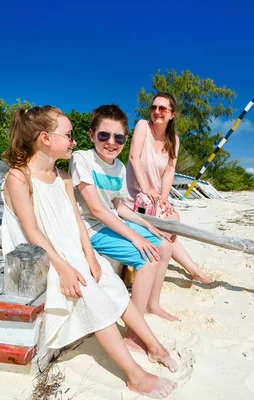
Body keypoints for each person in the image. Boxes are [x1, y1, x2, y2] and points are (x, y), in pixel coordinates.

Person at [0, 105, 177, 398]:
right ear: (45, 137)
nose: (73, 140)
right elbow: (32, 233)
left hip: (72, 250)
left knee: (111, 283)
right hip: (44, 257)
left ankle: (154, 346)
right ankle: (135, 375)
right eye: (68, 135)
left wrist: (90, 255)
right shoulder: (19, 177)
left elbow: (77, 224)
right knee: (92, 294)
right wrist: (64, 267)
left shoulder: (63, 177)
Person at [70, 104, 178, 354]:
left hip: (110, 220)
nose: (111, 142)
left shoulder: (119, 166)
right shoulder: (82, 158)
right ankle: (132, 334)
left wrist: (146, 224)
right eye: (104, 136)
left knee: (163, 243)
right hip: (90, 227)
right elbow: (96, 210)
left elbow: (119, 207)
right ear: (91, 135)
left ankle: (152, 305)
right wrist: (135, 237)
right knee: (147, 258)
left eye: (118, 137)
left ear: (125, 139)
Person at [125, 92, 213, 284]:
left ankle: (190, 269)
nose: (157, 112)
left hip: (155, 196)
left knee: (173, 220)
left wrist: (164, 199)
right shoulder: (143, 126)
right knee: (166, 228)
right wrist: (146, 186)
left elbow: (170, 170)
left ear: (172, 114)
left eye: (162, 108)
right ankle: (181, 268)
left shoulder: (174, 139)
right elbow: (134, 158)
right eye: (154, 107)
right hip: (135, 195)